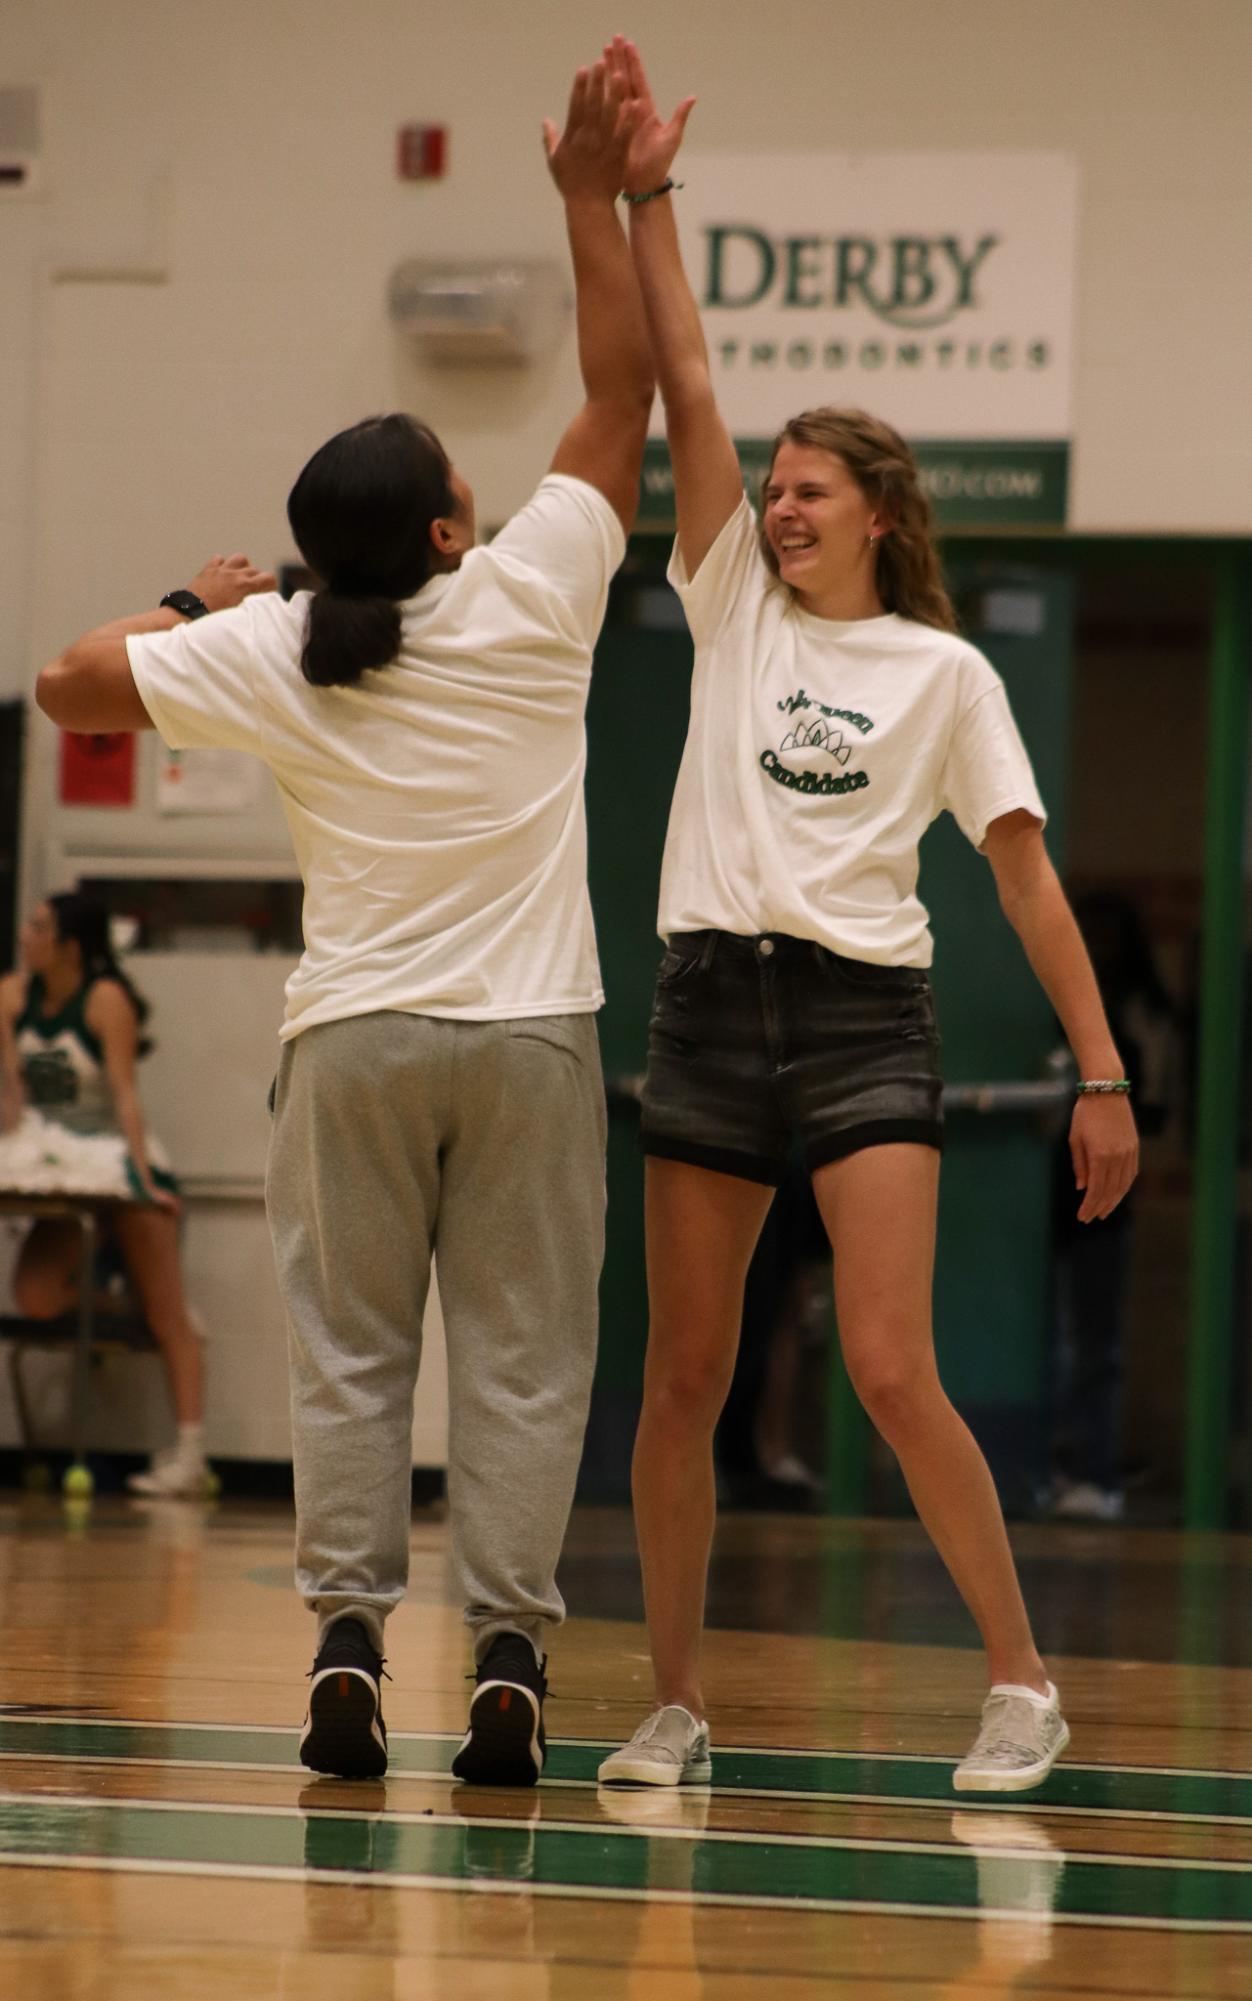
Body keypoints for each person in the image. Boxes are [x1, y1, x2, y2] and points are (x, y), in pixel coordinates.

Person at [35, 50, 654, 1785]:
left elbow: (63, 684)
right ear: (455, 526)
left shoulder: (275, 649)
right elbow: (618, 393)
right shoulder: (532, 592)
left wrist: (195, 598)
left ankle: (350, 1644)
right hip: (531, 1041)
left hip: (354, 1042)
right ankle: (513, 1662)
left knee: (351, 1360)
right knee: (525, 1368)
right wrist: (581, 202)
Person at [593, 41, 1139, 1795]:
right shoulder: (734, 605)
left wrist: (1103, 1073)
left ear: (883, 512)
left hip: (856, 1021)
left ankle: (1017, 1681)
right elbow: (684, 377)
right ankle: (675, 1699)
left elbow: (1025, 876)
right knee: (682, 1372)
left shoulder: (947, 672)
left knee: (894, 1366)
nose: (779, 501)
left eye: (812, 487)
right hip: (704, 1005)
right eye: (773, 486)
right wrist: (645, 193)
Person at [0, 891, 212, 1497]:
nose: (24, 935)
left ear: (69, 944)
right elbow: (13, 1102)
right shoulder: (12, 996)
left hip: (113, 1157)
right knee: (35, 1296)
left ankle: (191, 1456)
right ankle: (121, 1305)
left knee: (169, 1310)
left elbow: (125, 1096)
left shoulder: (106, 1000)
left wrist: (142, 1178)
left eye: (38, 927)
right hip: (54, 1159)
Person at [1046, 891, 1178, 1522]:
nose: (1094, 949)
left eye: (1104, 935)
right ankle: (1049, 1467)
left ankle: (1093, 1471)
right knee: (1046, 1337)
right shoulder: (1047, 1011)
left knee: (1097, 1342)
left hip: (1107, 1194)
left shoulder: (1144, 1016)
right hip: (1037, 1193)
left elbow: (1157, 1110)